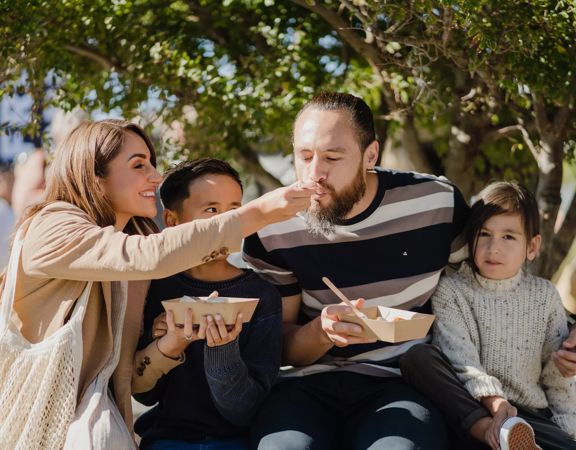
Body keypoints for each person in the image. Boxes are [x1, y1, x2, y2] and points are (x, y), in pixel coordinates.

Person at [0, 119, 313, 448]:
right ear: (95, 176)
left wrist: (170, 344)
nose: (155, 176)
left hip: (92, 427)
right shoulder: (54, 225)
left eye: (152, 163)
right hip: (38, 421)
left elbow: (129, 378)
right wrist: (260, 212)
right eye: (138, 165)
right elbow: (148, 254)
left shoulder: (134, 270)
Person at [242, 92, 471, 449]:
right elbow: (278, 348)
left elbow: (486, 288)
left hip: (403, 380)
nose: (314, 174)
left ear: (371, 155)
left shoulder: (436, 203)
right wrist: (321, 333)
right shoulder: (274, 227)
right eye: (304, 157)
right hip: (305, 385)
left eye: (332, 157)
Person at [132, 158, 283, 450]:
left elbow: (244, 411)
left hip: (238, 441)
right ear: (173, 222)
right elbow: (144, 395)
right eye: (211, 210)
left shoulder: (261, 296)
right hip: (167, 438)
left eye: (234, 211)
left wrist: (223, 352)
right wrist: (163, 343)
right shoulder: (155, 287)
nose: (226, 223)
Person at [429, 181, 576, 450]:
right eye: (484, 234)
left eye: (508, 237)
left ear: (532, 247)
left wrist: (568, 427)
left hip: (529, 417)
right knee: (419, 359)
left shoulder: (544, 296)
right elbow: (462, 361)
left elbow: (557, 375)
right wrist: (496, 403)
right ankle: (497, 435)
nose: (493, 247)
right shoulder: (451, 291)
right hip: (476, 411)